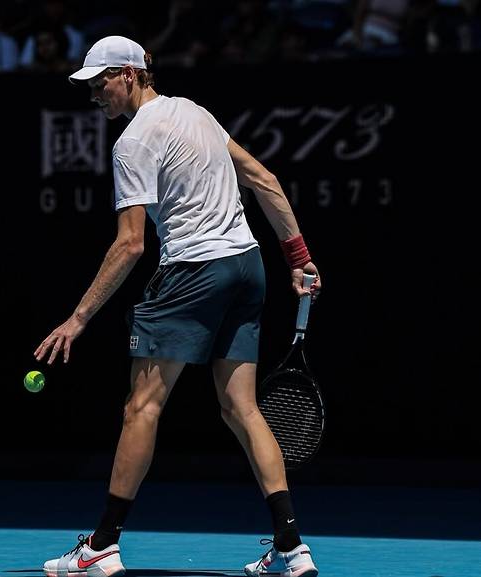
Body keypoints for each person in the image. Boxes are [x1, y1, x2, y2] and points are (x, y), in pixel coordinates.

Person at [34, 35, 321, 577]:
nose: (94, 95)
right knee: (241, 408)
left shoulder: (132, 143)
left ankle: (101, 546)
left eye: (100, 83)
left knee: (141, 407)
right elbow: (264, 179)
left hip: (193, 271)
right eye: (88, 87)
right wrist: (299, 257)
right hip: (247, 267)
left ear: (129, 74)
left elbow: (130, 244)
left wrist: (78, 317)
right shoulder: (195, 111)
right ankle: (291, 548)